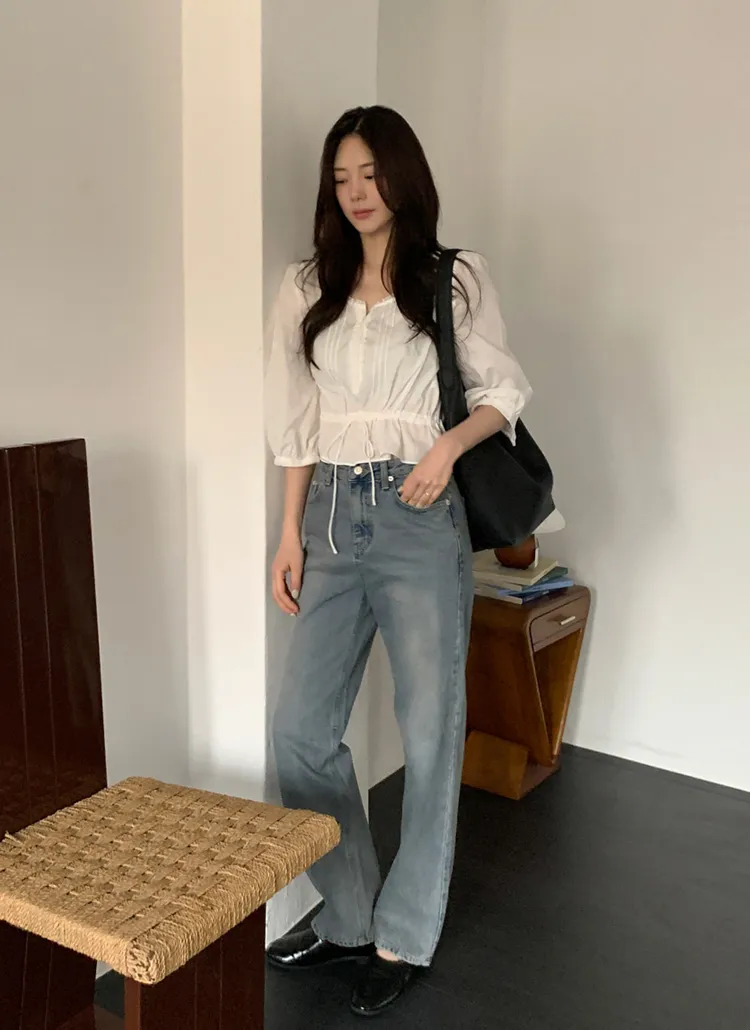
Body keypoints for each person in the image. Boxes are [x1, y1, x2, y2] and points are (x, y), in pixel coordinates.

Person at [264, 105, 532, 1018]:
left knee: (428, 730)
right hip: (331, 520)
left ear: (402, 176)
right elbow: (297, 424)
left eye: (371, 174)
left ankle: (402, 934)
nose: (357, 192)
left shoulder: (453, 278)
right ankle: (346, 913)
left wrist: (446, 449)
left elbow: (501, 392)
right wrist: (290, 533)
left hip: (420, 515)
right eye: (341, 178)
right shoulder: (306, 287)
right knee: (300, 731)